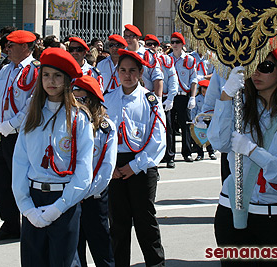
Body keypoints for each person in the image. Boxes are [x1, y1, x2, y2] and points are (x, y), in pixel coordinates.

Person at [209, 42, 277, 267]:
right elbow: (218, 141)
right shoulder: (240, 106)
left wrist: (254, 152)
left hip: (273, 217)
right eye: (253, 65)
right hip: (231, 211)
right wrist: (226, 96)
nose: (256, 72)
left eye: (265, 66)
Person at [12, 48, 93, 267]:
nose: (51, 81)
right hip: (33, 200)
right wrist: (26, 207)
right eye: (46, 75)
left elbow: (84, 170)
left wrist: (60, 207)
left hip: (64, 201)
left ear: (67, 81)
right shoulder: (32, 115)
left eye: (57, 76)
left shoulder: (79, 118)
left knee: (63, 262)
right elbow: (20, 162)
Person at [104, 49, 166, 267]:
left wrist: (133, 166)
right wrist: (109, 167)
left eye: (132, 71)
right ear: (117, 72)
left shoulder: (151, 101)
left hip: (142, 166)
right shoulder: (107, 99)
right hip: (114, 166)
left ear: (140, 73)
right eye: (122, 70)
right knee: (118, 225)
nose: (127, 75)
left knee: (145, 221)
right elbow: (99, 137)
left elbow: (158, 140)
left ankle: (156, 264)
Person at [0, 30, 39, 241]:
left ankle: (30, 223)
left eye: (12, 45)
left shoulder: (36, 71)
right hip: (1, 134)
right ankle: (10, 224)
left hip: (21, 136)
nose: (7, 49)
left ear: (25, 47)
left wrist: (8, 126)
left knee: (21, 181)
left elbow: (31, 106)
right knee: (2, 180)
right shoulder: (6, 70)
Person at [72, 75, 116, 267]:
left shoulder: (106, 129)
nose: (75, 104)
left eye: (80, 100)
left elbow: (106, 169)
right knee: (74, 249)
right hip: (71, 196)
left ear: (91, 100)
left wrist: (86, 192)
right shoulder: (68, 125)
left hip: (94, 196)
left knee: (101, 247)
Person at [144, 34, 178, 168]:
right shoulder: (143, 58)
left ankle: (170, 156)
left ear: (158, 47)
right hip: (147, 97)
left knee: (167, 127)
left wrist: (170, 98)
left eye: (154, 44)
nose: (151, 47)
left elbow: (173, 79)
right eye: (148, 44)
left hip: (162, 97)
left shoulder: (166, 59)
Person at [168, 32, 198, 162]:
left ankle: (187, 152)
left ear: (182, 44)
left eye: (177, 42)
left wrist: (192, 97)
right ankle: (169, 155)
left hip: (183, 96)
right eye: (172, 42)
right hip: (170, 96)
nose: (174, 45)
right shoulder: (167, 59)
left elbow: (194, 79)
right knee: (169, 126)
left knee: (185, 125)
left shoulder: (189, 59)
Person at [123, 24, 163, 96]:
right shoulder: (122, 54)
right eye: (126, 36)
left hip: (145, 95)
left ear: (138, 38)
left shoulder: (148, 55)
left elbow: (157, 77)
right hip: (125, 95)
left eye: (131, 36)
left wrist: (158, 99)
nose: (128, 39)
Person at [190, 78, 216, 160]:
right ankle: (200, 154)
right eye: (203, 88)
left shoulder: (212, 99)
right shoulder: (197, 98)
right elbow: (193, 110)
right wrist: (193, 120)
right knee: (198, 138)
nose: (204, 90)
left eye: (206, 88)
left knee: (209, 138)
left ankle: (211, 152)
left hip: (209, 120)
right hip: (199, 121)